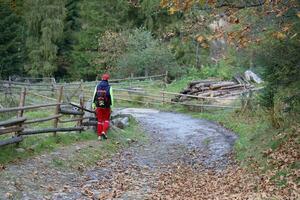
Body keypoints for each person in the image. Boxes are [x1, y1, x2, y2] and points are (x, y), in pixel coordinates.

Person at [92, 74, 114, 140]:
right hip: (106, 106)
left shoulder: (97, 86)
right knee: (106, 120)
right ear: (108, 79)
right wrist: (112, 107)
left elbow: (94, 96)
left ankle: (99, 136)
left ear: (102, 78)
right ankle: (103, 132)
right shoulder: (109, 87)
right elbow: (112, 98)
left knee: (99, 121)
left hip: (99, 105)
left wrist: (93, 104)